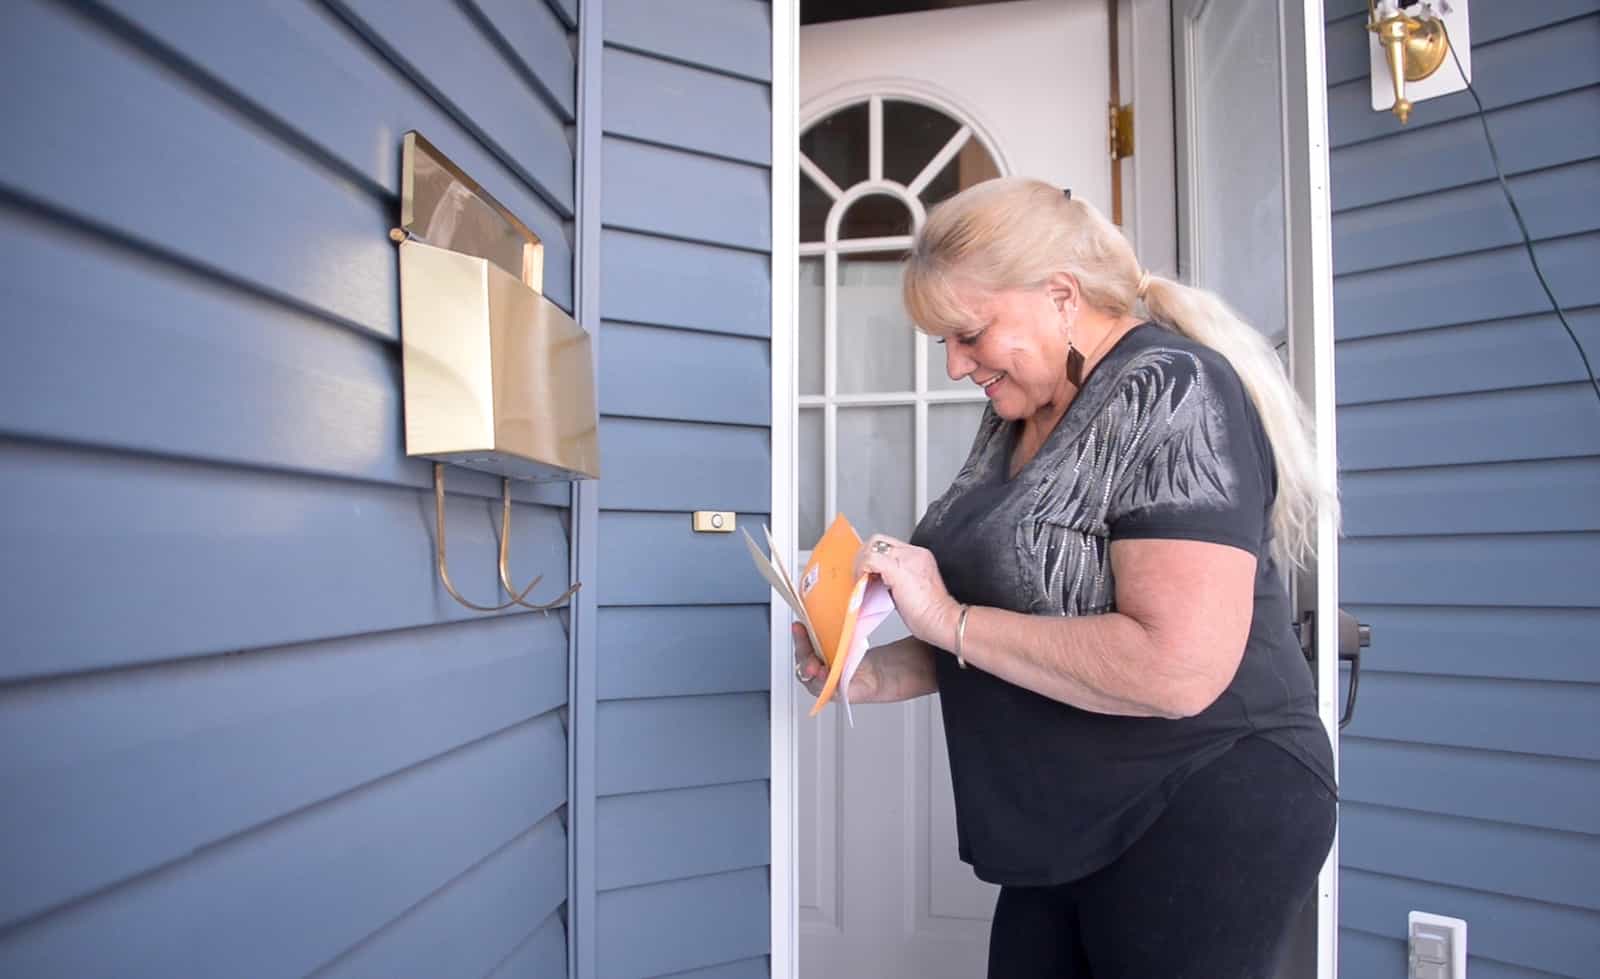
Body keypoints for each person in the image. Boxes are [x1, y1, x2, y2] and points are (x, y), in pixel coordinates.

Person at [792, 178, 1338, 979]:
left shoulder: (1170, 389)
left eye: (969, 333)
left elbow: (1175, 666)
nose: (954, 364)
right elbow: (1013, 619)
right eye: (942, 342)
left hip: (1203, 796)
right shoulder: (1017, 412)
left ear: (1060, 295)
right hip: (1070, 820)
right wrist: (870, 673)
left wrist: (943, 618)